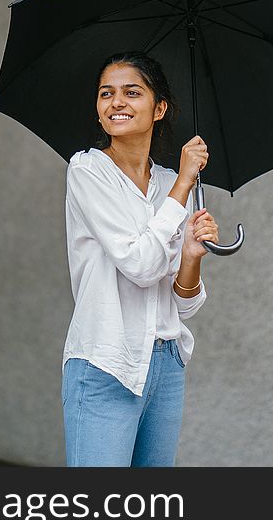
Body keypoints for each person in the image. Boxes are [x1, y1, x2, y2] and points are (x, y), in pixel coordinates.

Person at [61, 51, 219, 467]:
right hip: (106, 361)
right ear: (97, 111)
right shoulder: (88, 171)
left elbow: (184, 303)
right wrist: (185, 182)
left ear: (159, 108)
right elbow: (141, 265)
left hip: (165, 365)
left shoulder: (168, 183)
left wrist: (191, 256)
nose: (117, 102)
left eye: (132, 92)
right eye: (106, 94)